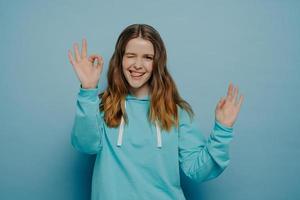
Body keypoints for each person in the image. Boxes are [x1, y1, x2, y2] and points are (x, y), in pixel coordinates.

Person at [68, 24, 244, 200]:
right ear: (120, 59)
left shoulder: (176, 112)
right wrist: (88, 90)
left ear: (157, 62)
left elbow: (198, 170)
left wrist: (222, 130)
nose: (138, 65)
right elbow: (85, 145)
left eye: (147, 57)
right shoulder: (101, 106)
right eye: (131, 56)